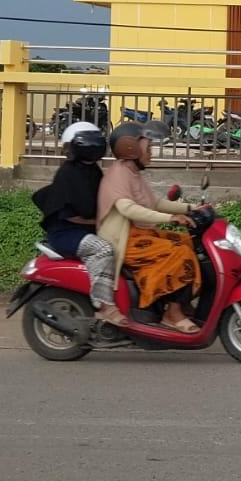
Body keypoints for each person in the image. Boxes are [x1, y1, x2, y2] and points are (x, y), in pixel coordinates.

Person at [96, 122, 204, 333]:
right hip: (125, 240)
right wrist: (171, 218)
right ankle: (172, 314)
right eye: (149, 149)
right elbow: (128, 209)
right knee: (180, 254)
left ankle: (179, 301)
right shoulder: (118, 175)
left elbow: (153, 203)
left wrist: (192, 208)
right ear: (131, 149)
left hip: (138, 233)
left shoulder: (132, 172)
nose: (151, 154)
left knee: (188, 243)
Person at [31, 122, 127, 327]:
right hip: (67, 233)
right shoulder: (68, 174)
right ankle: (105, 306)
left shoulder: (93, 171)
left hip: (87, 229)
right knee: (103, 249)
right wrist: (100, 222)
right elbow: (71, 216)